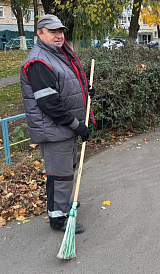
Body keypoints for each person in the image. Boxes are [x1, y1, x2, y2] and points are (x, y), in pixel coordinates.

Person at [20, 14, 95, 233]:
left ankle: (62, 204)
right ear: (40, 34)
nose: (58, 35)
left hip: (64, 128)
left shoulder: (58, 54)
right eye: (52, 31)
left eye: (60, 31)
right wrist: (76, 125)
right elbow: (49, 104)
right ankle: (58, 218)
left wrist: (86, 91)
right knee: (60, 175)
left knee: (66, 170)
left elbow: (65, 85)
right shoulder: (39, 62)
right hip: (54, 129)